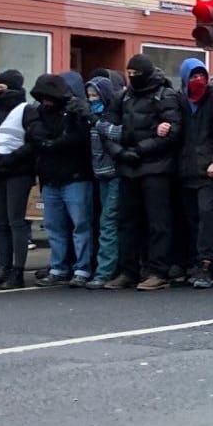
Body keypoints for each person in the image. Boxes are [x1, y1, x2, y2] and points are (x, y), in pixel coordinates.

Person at [112, 54, 183, 291]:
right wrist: (120, 151)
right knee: (127, 222)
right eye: (129, 74)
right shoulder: (124, 96)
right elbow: (108, 127)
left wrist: (140, 150)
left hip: (156, 167)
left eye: (135, 75)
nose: (132, 79)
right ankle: (128, 270)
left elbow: (172, 132)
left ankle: (158, 270)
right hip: (130, 165)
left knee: (158, 222)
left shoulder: (165, 95)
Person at [26, 73, 95, 286]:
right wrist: (56, 142)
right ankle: (59, 267)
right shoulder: (40, 112)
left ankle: (81, 268)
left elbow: (78, 138)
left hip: (75, 176)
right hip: (52, 177)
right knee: (55, 227)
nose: (45, 101)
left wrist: (52, 143)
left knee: (79, 226)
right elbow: (36, 136)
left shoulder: (75, 111)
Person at [175, 58, 213, 288]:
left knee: (206, 215)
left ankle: (206, 264)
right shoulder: (180, 99)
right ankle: (194, 262)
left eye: (201, 75)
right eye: (193, 76)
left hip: (209, 169)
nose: (198, 80)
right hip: (186, 168)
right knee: (192, 219)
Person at [0, 70, 33, 290]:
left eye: (3, 88)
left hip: (18, 171)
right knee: (0, 223)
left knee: (16, 222)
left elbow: (33, 140)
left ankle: (17, 271)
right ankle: (3, 269)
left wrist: (14, 157)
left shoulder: (26, 110)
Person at [86, 76, 123, 289]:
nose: (92, 99)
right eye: (89, 95)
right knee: (104, 221)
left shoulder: (112, 114)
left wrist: (97, 123)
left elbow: (120, 133)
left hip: (115, 174)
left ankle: (104, 271)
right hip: (100, 174)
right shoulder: (91, 115)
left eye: (95, 95)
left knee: (108, 222)